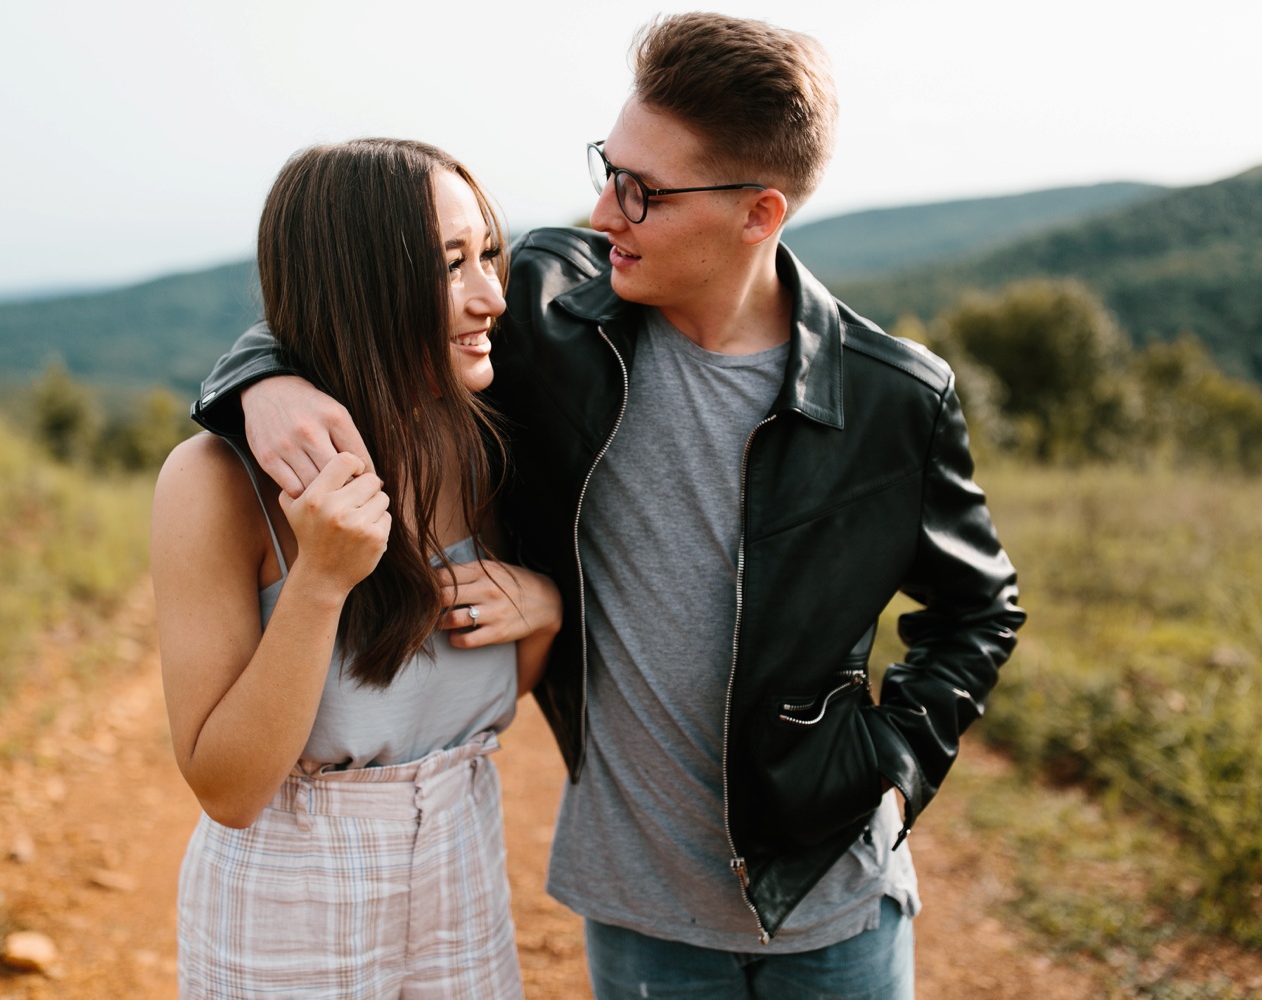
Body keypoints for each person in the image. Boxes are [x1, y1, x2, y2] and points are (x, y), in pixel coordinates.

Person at [192, 13, 1025, 999]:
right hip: (639, 912)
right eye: (608, 168)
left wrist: (890, 762)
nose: (602, 210)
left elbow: (980, 608)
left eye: (643, 191)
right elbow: (367, 302)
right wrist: (261, 379)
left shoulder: (894, 399)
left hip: (834, 902)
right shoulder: (551, 318)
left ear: (758, 213)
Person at [152, 138, 561, 999]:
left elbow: (472, 706)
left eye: (488, 254)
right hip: (288, 895)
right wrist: (320, 582)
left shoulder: (481, 441)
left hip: (464, 862)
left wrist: (547, 610)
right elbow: (228, 789)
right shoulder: (214, 484)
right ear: (359, 284)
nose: (492, 295)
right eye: (450, 265)